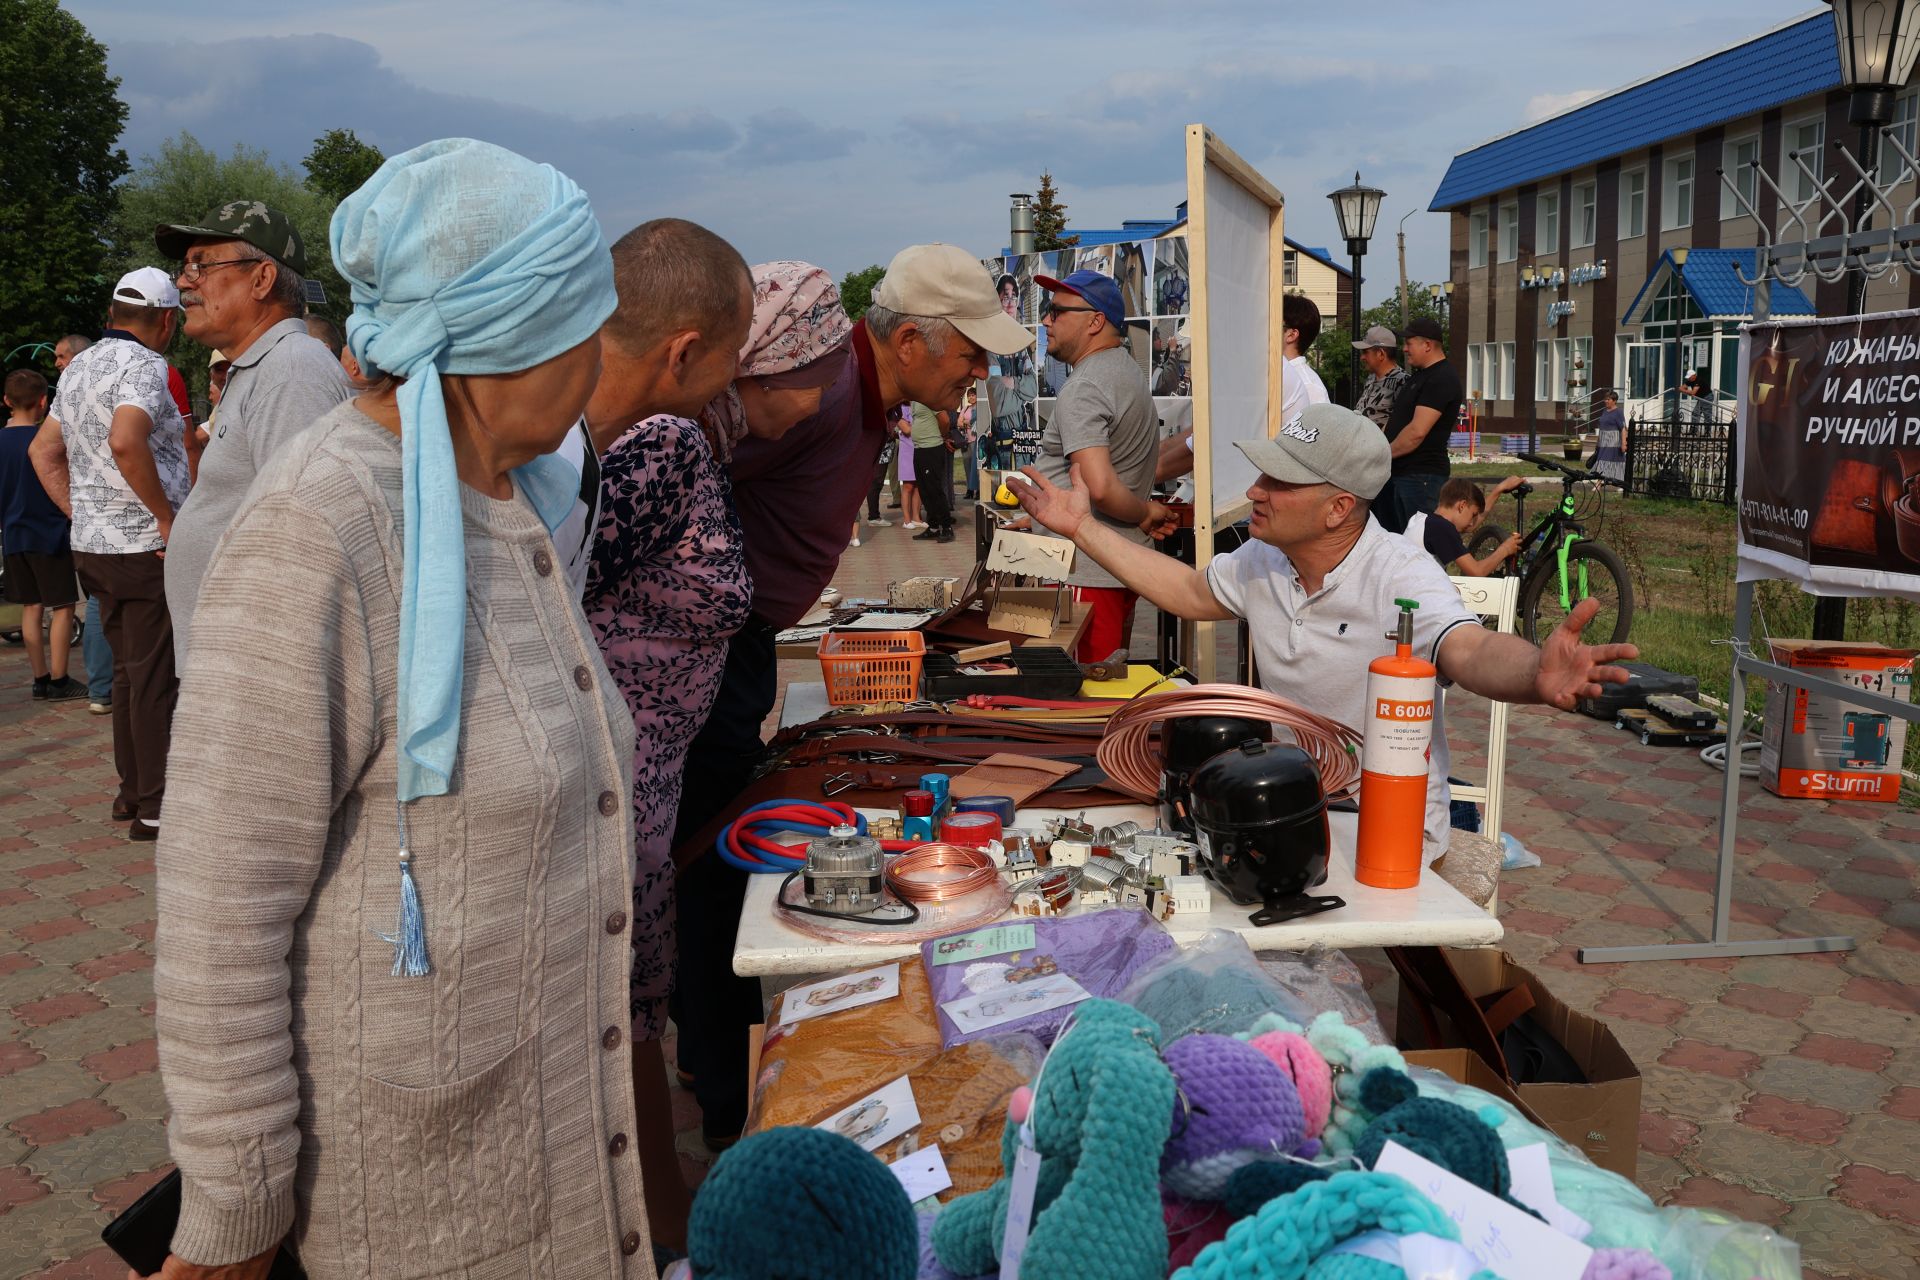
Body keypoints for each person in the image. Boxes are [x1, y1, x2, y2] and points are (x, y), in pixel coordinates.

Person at [150, 139, 649, 1280]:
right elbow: (221, 904)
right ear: (510, 337)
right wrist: (235, 1205)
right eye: (587, 322)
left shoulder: (507, 498)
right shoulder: (322, 524)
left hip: (557, 1162)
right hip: (425, 1207)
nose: (599, 355)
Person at [670, 242, 1032, 1152]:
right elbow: (684, 478)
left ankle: (711, 1066)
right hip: (703, 656)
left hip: (741, 649)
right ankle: (724, 1106)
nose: (980, 372)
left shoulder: (864, 395)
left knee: (718, 855)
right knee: (716, 874)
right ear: (909, 340)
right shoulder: (819, 393)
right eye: (970, 354)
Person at [1009, 401, 1636, 864]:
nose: (1254, 490)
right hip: (1290, 809)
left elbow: (1468, 648)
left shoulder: (1399, 572)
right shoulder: (1265, 559)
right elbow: (1187, 591)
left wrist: (1535, 673)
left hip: (1383, 829)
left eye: (1279, 482)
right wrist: (1082, 529)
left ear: (1338, 507)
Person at [584, 261, 845, 1247]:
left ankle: (661, 1217)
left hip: (649, 778)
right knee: (624, 1019)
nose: (818, 400)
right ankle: (655, 1227)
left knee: (637, 1013)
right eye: (800, 372)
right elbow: (545, 587)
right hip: (625, 775)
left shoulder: (694, 444)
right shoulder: (660, 444)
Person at [30, 268, 192, 840]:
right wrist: (167, 517)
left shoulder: (77, 369)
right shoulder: (147, 366)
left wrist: (83, 512)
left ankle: (131, 792)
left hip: (94, 548)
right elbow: (126, 439)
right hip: (144, 548)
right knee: (152, 678)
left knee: (127, 675)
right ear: (166, 319)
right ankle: (154, 805)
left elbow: (42, 452)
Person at [155, 201, 355, 658]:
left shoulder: (291, 373)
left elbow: (305, 545)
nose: (184, 281)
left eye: (201, 265)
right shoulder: (263, 368)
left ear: (262, 279)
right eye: (185, 267)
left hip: (256, 666)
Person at [1030, 268, 1171, 660]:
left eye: (1056, 311)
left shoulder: (1087, 385)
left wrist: (1144, 511)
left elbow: (1101, 488)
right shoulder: (1123, 370)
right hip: (1109, 566)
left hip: (1083, 572)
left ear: (1094, 321)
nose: (1045, 320)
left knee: (1082, 698)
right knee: (1104, 687)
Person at [1154, 293, 1328, 482]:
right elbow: (1202, 432)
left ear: (1291, 334)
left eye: (1268, 322)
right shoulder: (1268, 369)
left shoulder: (1302, 383)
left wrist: (1138, 480)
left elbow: (1205, 442)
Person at [2, 371, 85, 700]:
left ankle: (39, 677)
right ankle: (60, 679)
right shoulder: (49, 441)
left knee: (30, 607)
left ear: (7, 401)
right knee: (63, 606)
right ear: (43, 401)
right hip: (49, 535)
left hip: (13, 536)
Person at [51, 333, 115, 712]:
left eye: (62, 356)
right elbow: (43, 452)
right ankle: (108, 688)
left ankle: (101, 689)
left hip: (94, 522)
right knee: (104, 603)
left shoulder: (72, 392)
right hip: (105, 519)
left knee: (97, 602)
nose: (57, 363)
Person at [1380, 315, 1465, 533]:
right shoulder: (1420, 377)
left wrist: (1382, 455)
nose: (1405, 349)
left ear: (1427, 345)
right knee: (1397, 543)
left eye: (1409, 343)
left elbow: (1417, 432)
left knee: (1419, 545)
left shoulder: (1441, 378)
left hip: (1421, 477)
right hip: (1404, 474)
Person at [1405, 476, 1524, 576]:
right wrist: (1505, 549)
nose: (1472, 523)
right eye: (1473, 515)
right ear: (1462, 505)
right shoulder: (1442, 528)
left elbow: (1471, 525)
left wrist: (1499, 489)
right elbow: (1477, 571)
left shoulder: (1423, 520)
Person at [909, 399, 956, 542]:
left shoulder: (932, 398)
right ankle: (933, 526)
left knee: (934, 489)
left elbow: (945, 420)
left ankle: (947, 527)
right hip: (919, 448)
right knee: (924, 490)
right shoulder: (914, 399)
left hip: (932, 448)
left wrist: (942, 436)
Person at [1352, 324, 1409, 431]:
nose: (1362, 357)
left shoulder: (1402, 382)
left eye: (1365, 352)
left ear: (1381, 354)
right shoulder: (1371, 378)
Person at [1590, 389, 1627, 483]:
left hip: (1613, 443)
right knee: (1604, 461)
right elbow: (1602, 427)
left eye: (1608, 399)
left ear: (1614, 401)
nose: (1606, 401)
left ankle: (1599, 484)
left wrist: (1623, 443)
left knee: (1604, 462)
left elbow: (1623, 428)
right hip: (1603, 442)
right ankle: (1616, 483)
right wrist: (1597, 442)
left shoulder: (1618, 412)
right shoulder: (1605, 411)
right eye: (1605, 399)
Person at [897, 407, 922, 530]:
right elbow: (906, 429)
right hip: (907, 450)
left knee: (919, 485)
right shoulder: (901, 408)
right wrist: (924, 428)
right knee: (908, 486)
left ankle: (916, 518)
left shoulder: (918, 405)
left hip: (920, 448)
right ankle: (906, 520)